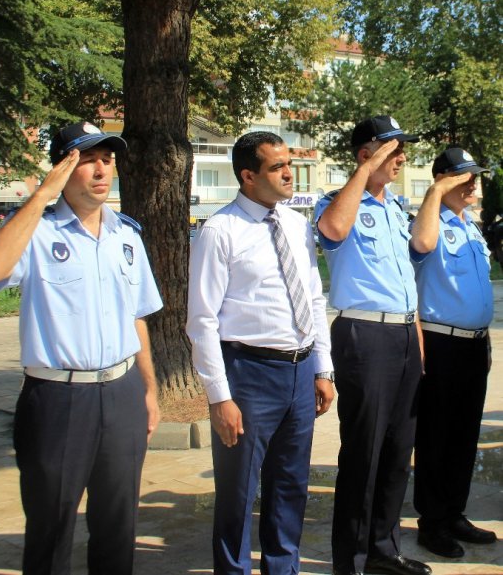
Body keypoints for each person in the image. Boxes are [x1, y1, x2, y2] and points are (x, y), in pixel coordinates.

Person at [0, 121, 162, 575]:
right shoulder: (36, 233)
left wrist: (149, 391)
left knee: (118, 528)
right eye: (87, 160)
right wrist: (42, 194)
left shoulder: (127, 236)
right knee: (51, 530)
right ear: (62, 166)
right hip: (57, 399)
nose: (102, 170)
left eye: (107, 159)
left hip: (120, 394)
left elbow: (136, 317)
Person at [186, 131, 334, 575]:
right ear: (248, 176)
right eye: (276, 167)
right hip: (249, 375)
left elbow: (313, 298)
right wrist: (219, 397)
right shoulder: (219, 231)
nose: (289, 173)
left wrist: (322, 367)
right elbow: (202, 321)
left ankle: (282, 568)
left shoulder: (294, 224)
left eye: (289, 163)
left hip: (300, 370)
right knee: (237, 491)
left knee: (290, 485)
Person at [314, 116, 431, 575]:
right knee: (363, 452)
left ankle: (384, 549)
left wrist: (417, 337)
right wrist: (363, 175)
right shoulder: (338, 202)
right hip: (364, 336)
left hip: (403, 334)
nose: (402, 157)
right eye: (393, 149)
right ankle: (352, 560)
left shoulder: (395, 208)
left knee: (398, 451)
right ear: (366, 153)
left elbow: (407, 278)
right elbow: (332, 232)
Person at [409, 148, 497, 558]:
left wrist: (486, 341)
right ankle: (432, 522)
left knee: (464, 436)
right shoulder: (430, 222)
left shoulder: (472, 228)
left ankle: (454, 513)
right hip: (442, 343)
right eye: (464, 178)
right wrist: (436, 190)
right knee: (437, 436)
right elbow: (423, 243)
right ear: (443, 180)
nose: (473, 185)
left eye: (475, 177)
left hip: (474, 344)